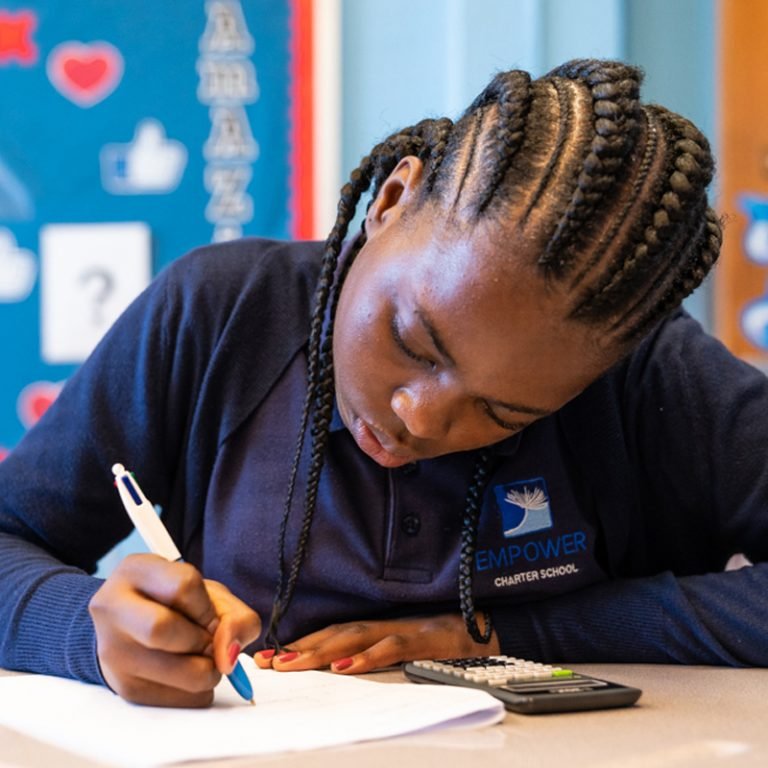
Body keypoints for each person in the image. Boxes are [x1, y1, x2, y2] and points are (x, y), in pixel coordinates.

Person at [0, 58, 764, 709]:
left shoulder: (647, 374)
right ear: (392, 202)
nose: (419, 417)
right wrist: (88, 632)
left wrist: (516, 631)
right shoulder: (219, 315)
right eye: (412, 342)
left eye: (504, 411)